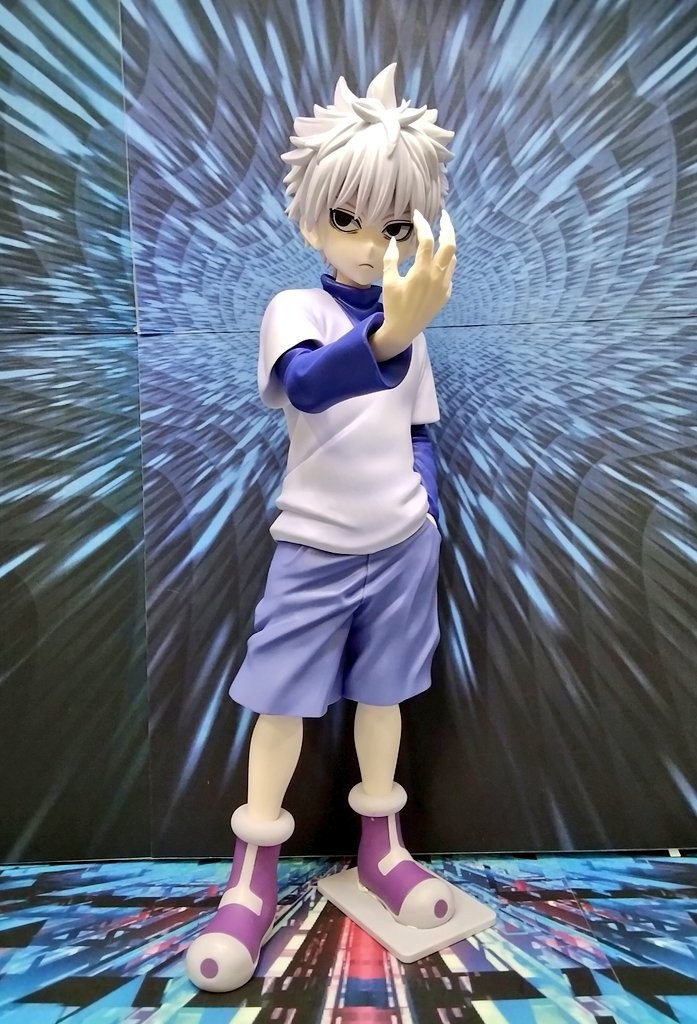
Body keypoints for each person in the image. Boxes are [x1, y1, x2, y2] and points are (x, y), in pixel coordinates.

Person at [187, 63, 456, 992]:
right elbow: (305, 385)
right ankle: (251, 876)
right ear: (312, 221)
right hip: (313, 545)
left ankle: (383, 846)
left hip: (401, 543)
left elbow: (418, 426)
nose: (370, 244)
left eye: (394, 225)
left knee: (384, 696)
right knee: (281, 702)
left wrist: (424, 506)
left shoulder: (411, 328)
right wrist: (386, 334)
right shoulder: (295, 309)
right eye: (348, 219)